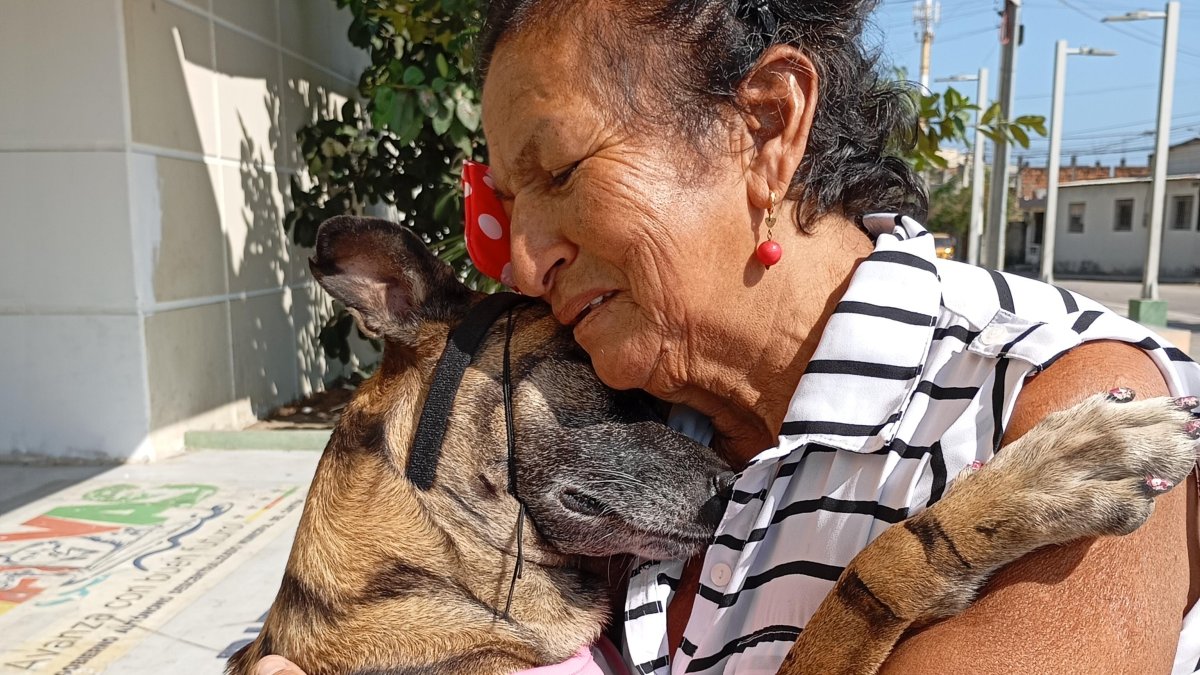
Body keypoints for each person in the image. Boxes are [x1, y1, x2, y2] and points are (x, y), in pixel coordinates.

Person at [258, 1, 1200, 673]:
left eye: (556, 174)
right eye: (505, 206)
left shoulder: (1053, 406)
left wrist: (923, 559)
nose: (523, 259)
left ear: (767, 124)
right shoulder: (621, 406)